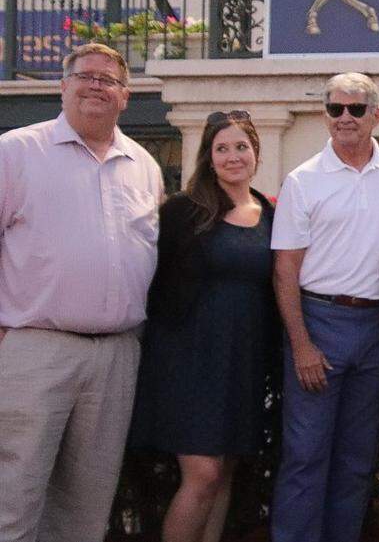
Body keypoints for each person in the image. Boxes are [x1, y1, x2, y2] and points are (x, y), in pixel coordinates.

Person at [0, 43, 164, 541]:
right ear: (63, 85)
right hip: (35, 347)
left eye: (109, 79)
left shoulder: (145, 166)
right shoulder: (15, 151)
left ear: (126, 96)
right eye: (85, 76)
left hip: (116, 356)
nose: (97, 85)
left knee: (86, 505)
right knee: (15, 492)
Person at [270, 72, 379, 542]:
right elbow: (285, 269)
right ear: (325, 115)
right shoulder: (302, 180)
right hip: (319, 321)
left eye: (356, 108)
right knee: (306, 455)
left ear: (377, 114)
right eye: (336, 109)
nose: (345, 118)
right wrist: (301, 344)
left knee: (357, 459)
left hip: (377, 326)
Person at [130, 111, 278, 542]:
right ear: (208, 158)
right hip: (188, 359)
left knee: (225, 471)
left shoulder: (269, 212)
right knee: (203, 472)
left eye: (241, 147)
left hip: (244, 360)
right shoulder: (182, 212)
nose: (233, 157)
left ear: (255, 153)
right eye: (222, 149)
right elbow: (151, 282)